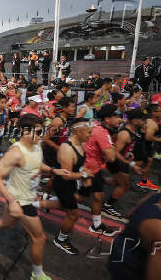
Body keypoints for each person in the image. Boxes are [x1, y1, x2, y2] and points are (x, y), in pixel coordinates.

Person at [0, 114, 70, 280]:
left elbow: (36, 163)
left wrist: (53, 170)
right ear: (25, 131)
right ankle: (37, 275)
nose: (40, 134)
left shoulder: (36, 145)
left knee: (6, 222)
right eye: (37, 131)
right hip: (20, 201)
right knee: (39, 237)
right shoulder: (15, 153)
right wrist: (12, 201)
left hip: (27, 197)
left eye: (41, 130)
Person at [46, 118, 94, 255]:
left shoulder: (81, 143)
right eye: (88, 132)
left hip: (72, 183)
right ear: (78, 131)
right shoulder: (67, 149)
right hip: (63, 185)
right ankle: (61, 240)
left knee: (76, 201)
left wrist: (84, 174)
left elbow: (79, 165)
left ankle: (38, 204)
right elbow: (66, 175)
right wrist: (84, 175)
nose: (90, 135)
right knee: (73, 214)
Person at [84, 104, 122, 236]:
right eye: (117, 116)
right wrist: (114, 144)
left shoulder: (97, 126)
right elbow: (111, 157)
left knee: (97, 197)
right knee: (77, 200)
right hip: (88, 169)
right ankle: (43, 203)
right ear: (107, 119)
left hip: (92, 168)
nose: (120, 119)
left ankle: (96, 225)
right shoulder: (102, 132)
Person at [108, 192, 161, 280]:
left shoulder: (153, 196)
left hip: (120, 258)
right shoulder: (157, 229)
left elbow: (130, 214)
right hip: (132, 271)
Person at [104, 109, 144, 218]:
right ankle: (107, 206)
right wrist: (131, 165)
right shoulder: (125, 134)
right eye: (141, 119)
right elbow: (115, 152)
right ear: (134, 120)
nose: (143, 121)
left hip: (123, 161)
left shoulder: (134, 130)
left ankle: (96, 181)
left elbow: (126, 148)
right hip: (117, 162)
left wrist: (130, 153)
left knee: (118, 182)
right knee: (124, 186)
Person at [139, 104, 161, 189]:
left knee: (148, 162)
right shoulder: (152, 123)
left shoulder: (149, 120)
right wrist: (159, 140)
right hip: (143, 144)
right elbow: (148, 137)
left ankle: (144, 182)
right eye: (160, 111)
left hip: (144, 144)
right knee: (142, 163)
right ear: (153, 112)